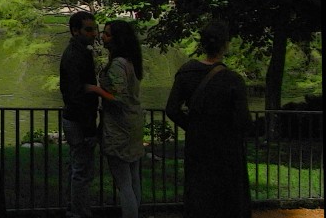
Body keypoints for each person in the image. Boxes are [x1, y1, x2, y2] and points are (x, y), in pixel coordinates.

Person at [165, 21, 252, 218]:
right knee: (228, 196)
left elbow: (172, 109)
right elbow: (244, 120)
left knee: (199, 192)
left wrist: (193, 126)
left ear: (202, 44)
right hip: (227, 147)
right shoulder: (233, 80)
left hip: (198, 144)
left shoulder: (186, 73)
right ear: (225, 45)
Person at [87, 20, 144, 218]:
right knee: (133, 178)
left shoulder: (118, 64)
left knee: (124, 183)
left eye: (107, 34)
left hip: (120, 128)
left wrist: (95, 89)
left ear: (118, 39)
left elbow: (119, 98)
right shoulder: (131, 61)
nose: (102, 36)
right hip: (133, 123)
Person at [59, 11, 100, 218]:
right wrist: (89, 127)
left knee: (77, 168)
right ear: (76, 31)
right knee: (82, 171)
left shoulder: (78, 53)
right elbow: (76, 94)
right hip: (78, 120)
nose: (94, 34)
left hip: (76, 117)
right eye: (89, 29)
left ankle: (73, 208)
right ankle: (79, 212)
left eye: (95, 29)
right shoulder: (76, 56)